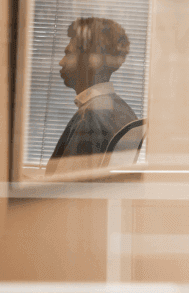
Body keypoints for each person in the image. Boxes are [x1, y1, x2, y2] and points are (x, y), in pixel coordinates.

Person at [45, 17, 138, 176]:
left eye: (68, 54)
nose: (61, 62)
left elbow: (65, 193)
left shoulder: (89, 118)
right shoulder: (124, 111)